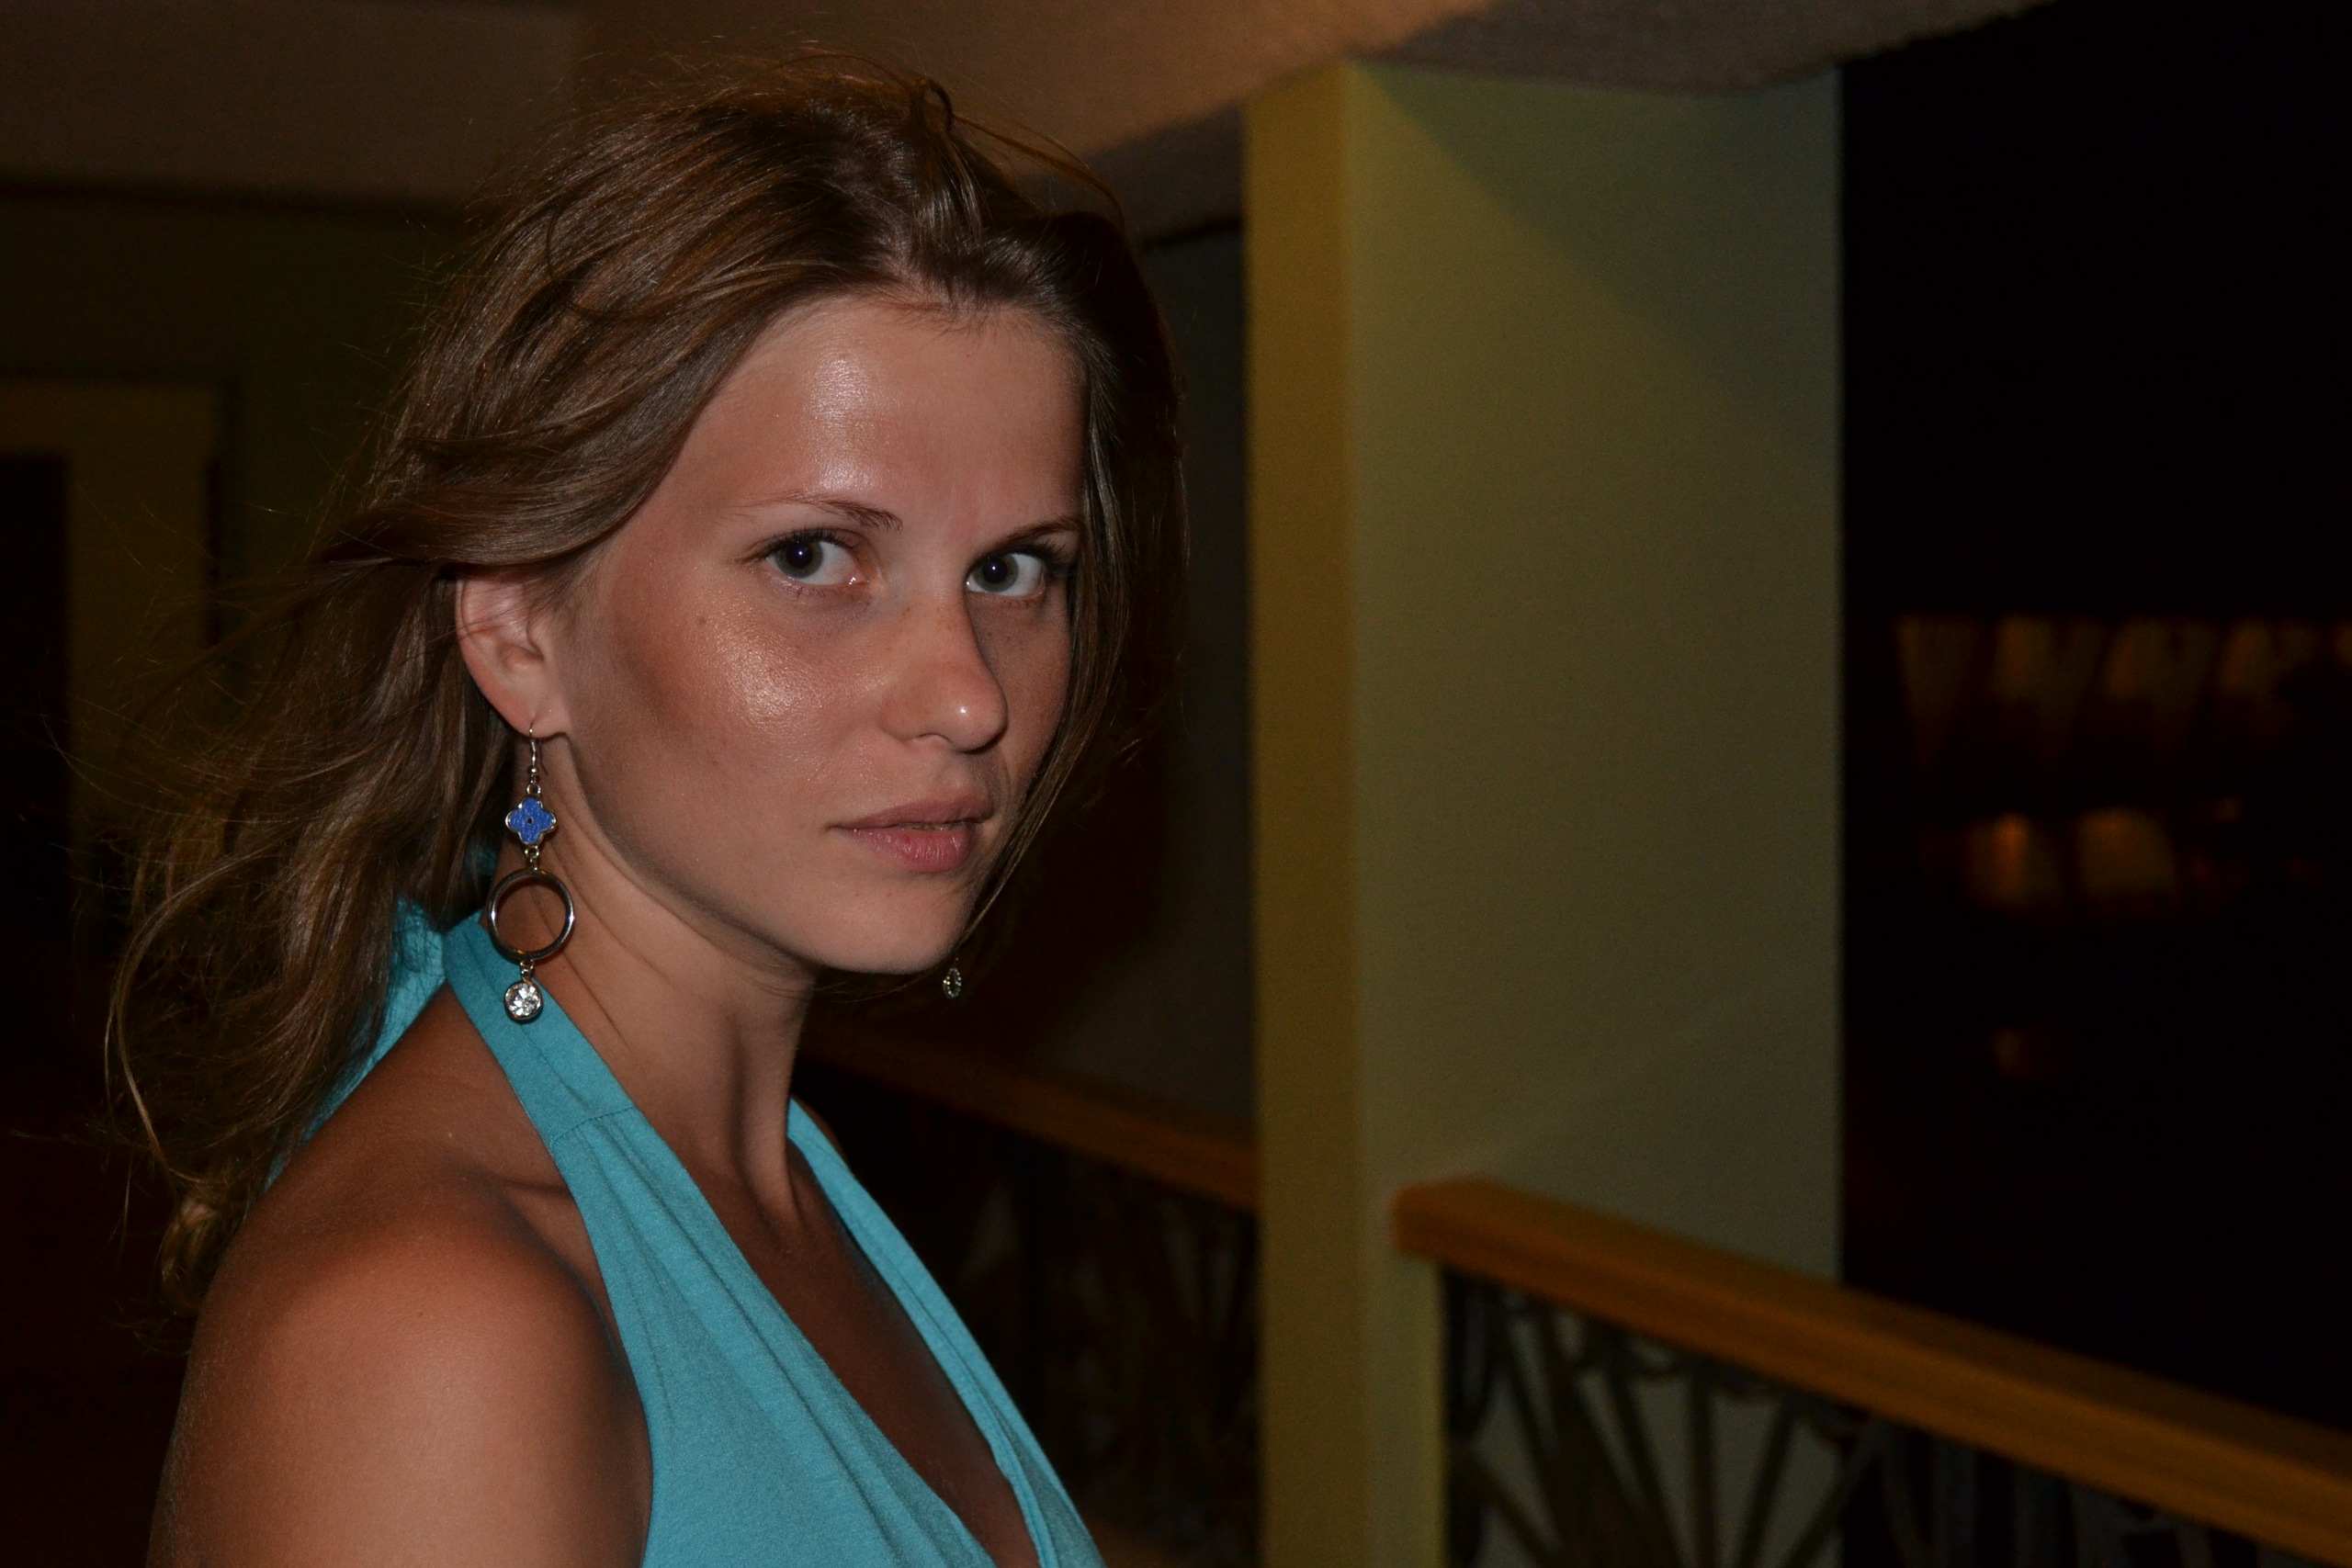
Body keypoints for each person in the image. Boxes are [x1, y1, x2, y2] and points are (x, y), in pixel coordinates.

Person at [119, 61, 1182, 1568]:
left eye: (1014, 570)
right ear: (519, 631)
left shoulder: (770, 1173)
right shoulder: (439, 1330)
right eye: (813, 557)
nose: (967, 698)